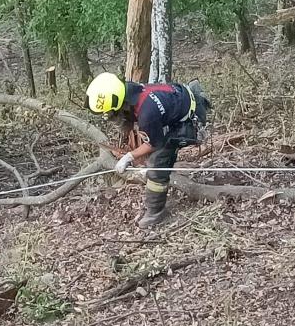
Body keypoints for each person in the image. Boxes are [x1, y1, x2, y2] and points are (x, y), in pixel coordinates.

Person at [85, 72, 210, 228]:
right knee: (154, 149)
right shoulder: (130, 91)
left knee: (158, 161)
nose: (109, 118)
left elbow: (153, 144)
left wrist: (129, 157)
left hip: (190, 118)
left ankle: (155, 212)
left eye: (110, 114)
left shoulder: (147, 113)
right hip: (179, 100)